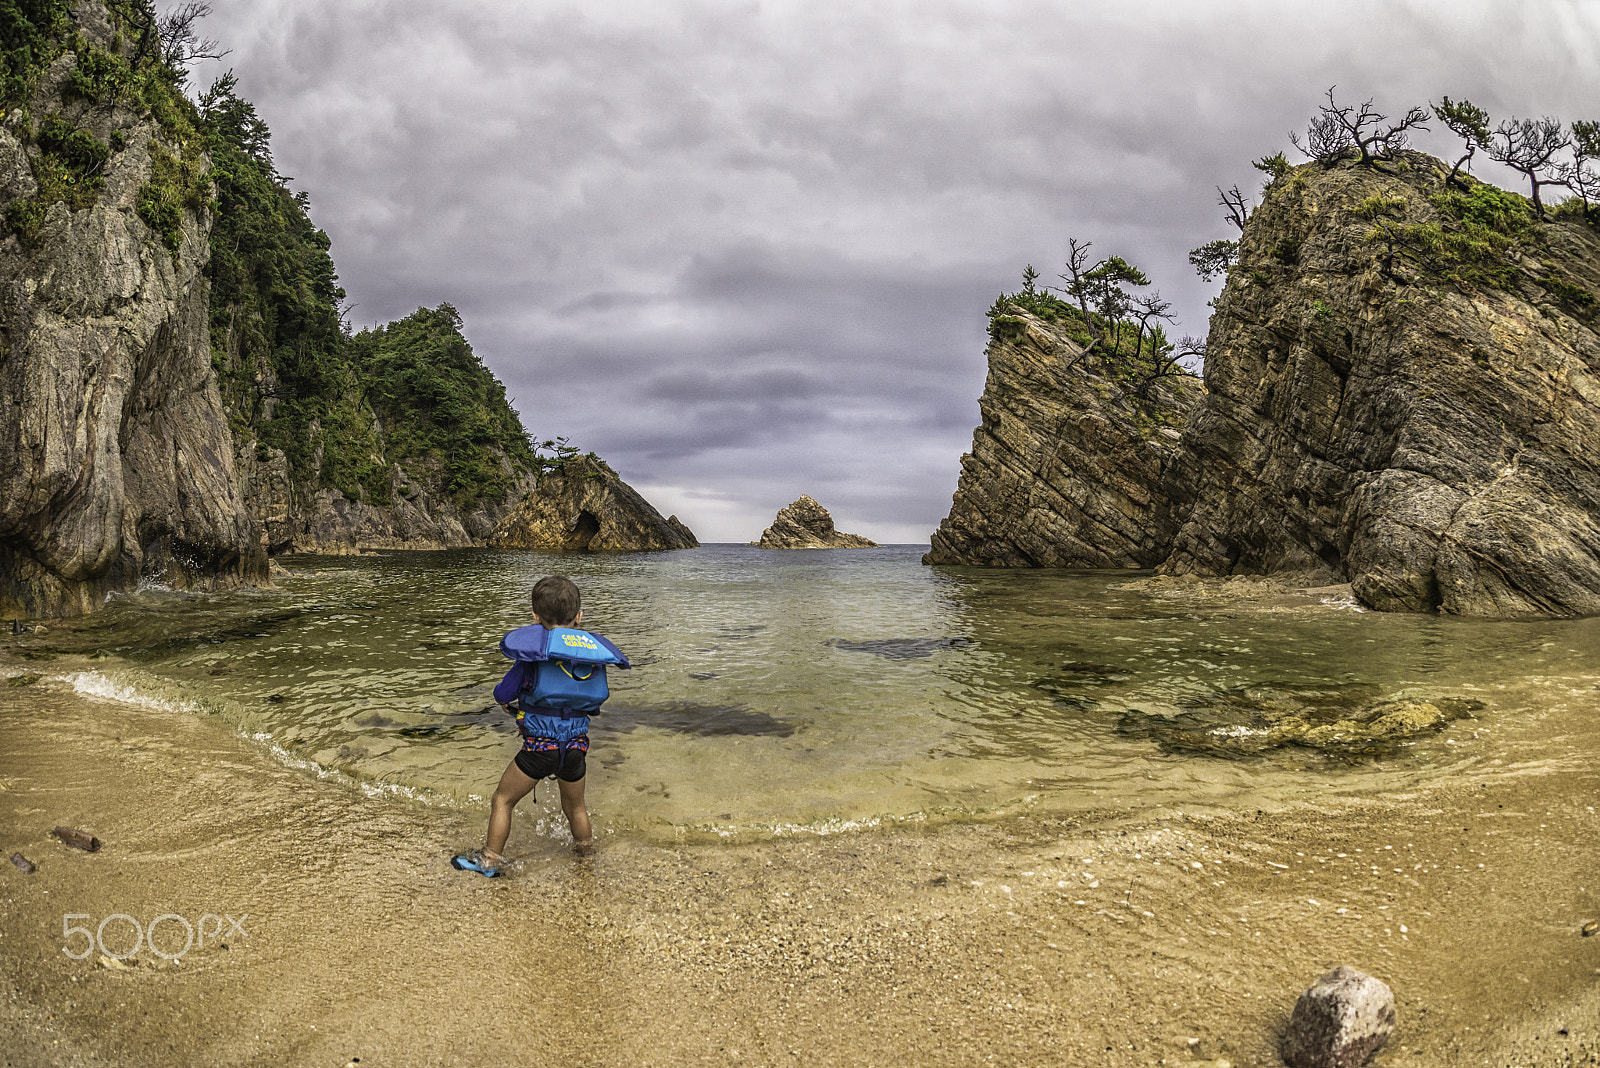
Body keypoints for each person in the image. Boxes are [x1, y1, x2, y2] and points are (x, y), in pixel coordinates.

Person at [452, 575, 628, 876]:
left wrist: (510, 702)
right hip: (575, 748)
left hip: (540, 749)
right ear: (579, 617)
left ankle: (490, 860)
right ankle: (587, 859)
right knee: (576, 808)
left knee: (503, 800)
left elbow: (502, 694)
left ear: (535, 617)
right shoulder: (590, 659)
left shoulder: (532, 659)